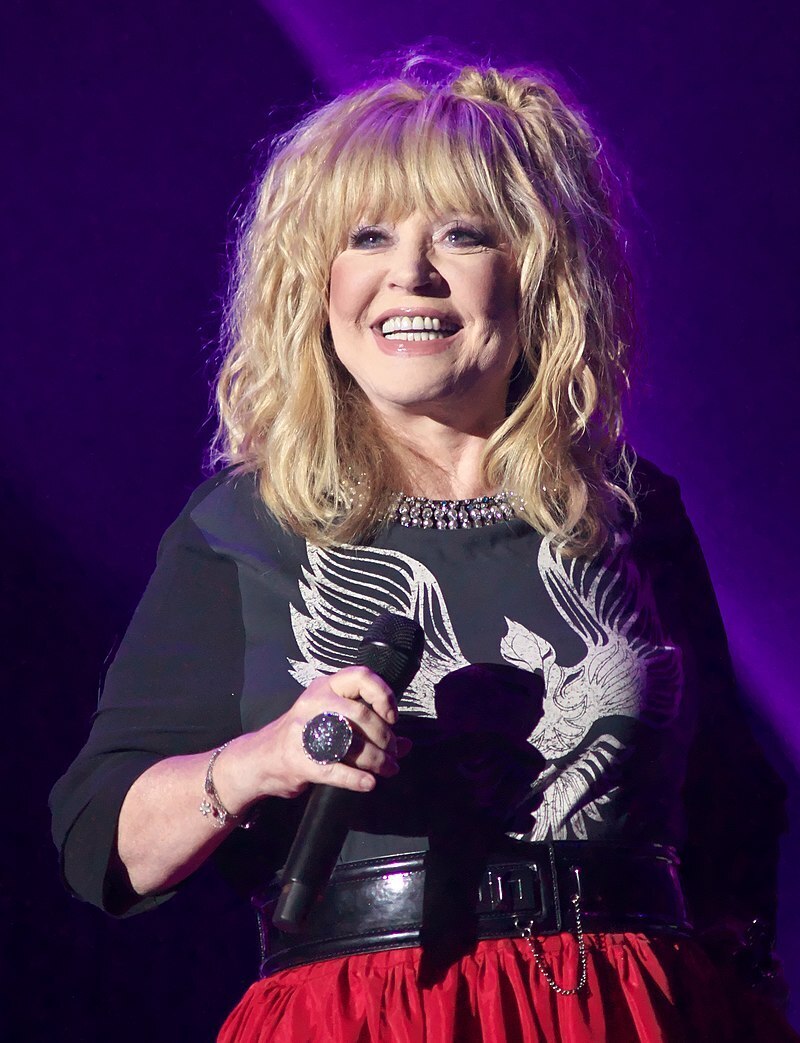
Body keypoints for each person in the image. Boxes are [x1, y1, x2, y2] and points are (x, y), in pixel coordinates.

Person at [50, 53, 797, 1042]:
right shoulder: (242, 526)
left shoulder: (630, 506)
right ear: (316, 286)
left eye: (460, 233)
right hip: (370, 1014)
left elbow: (731, 804)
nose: (409, 273)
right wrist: (267, 758)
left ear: (535, 275)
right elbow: (103, 840)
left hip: (628, 1005)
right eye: (367, 236)